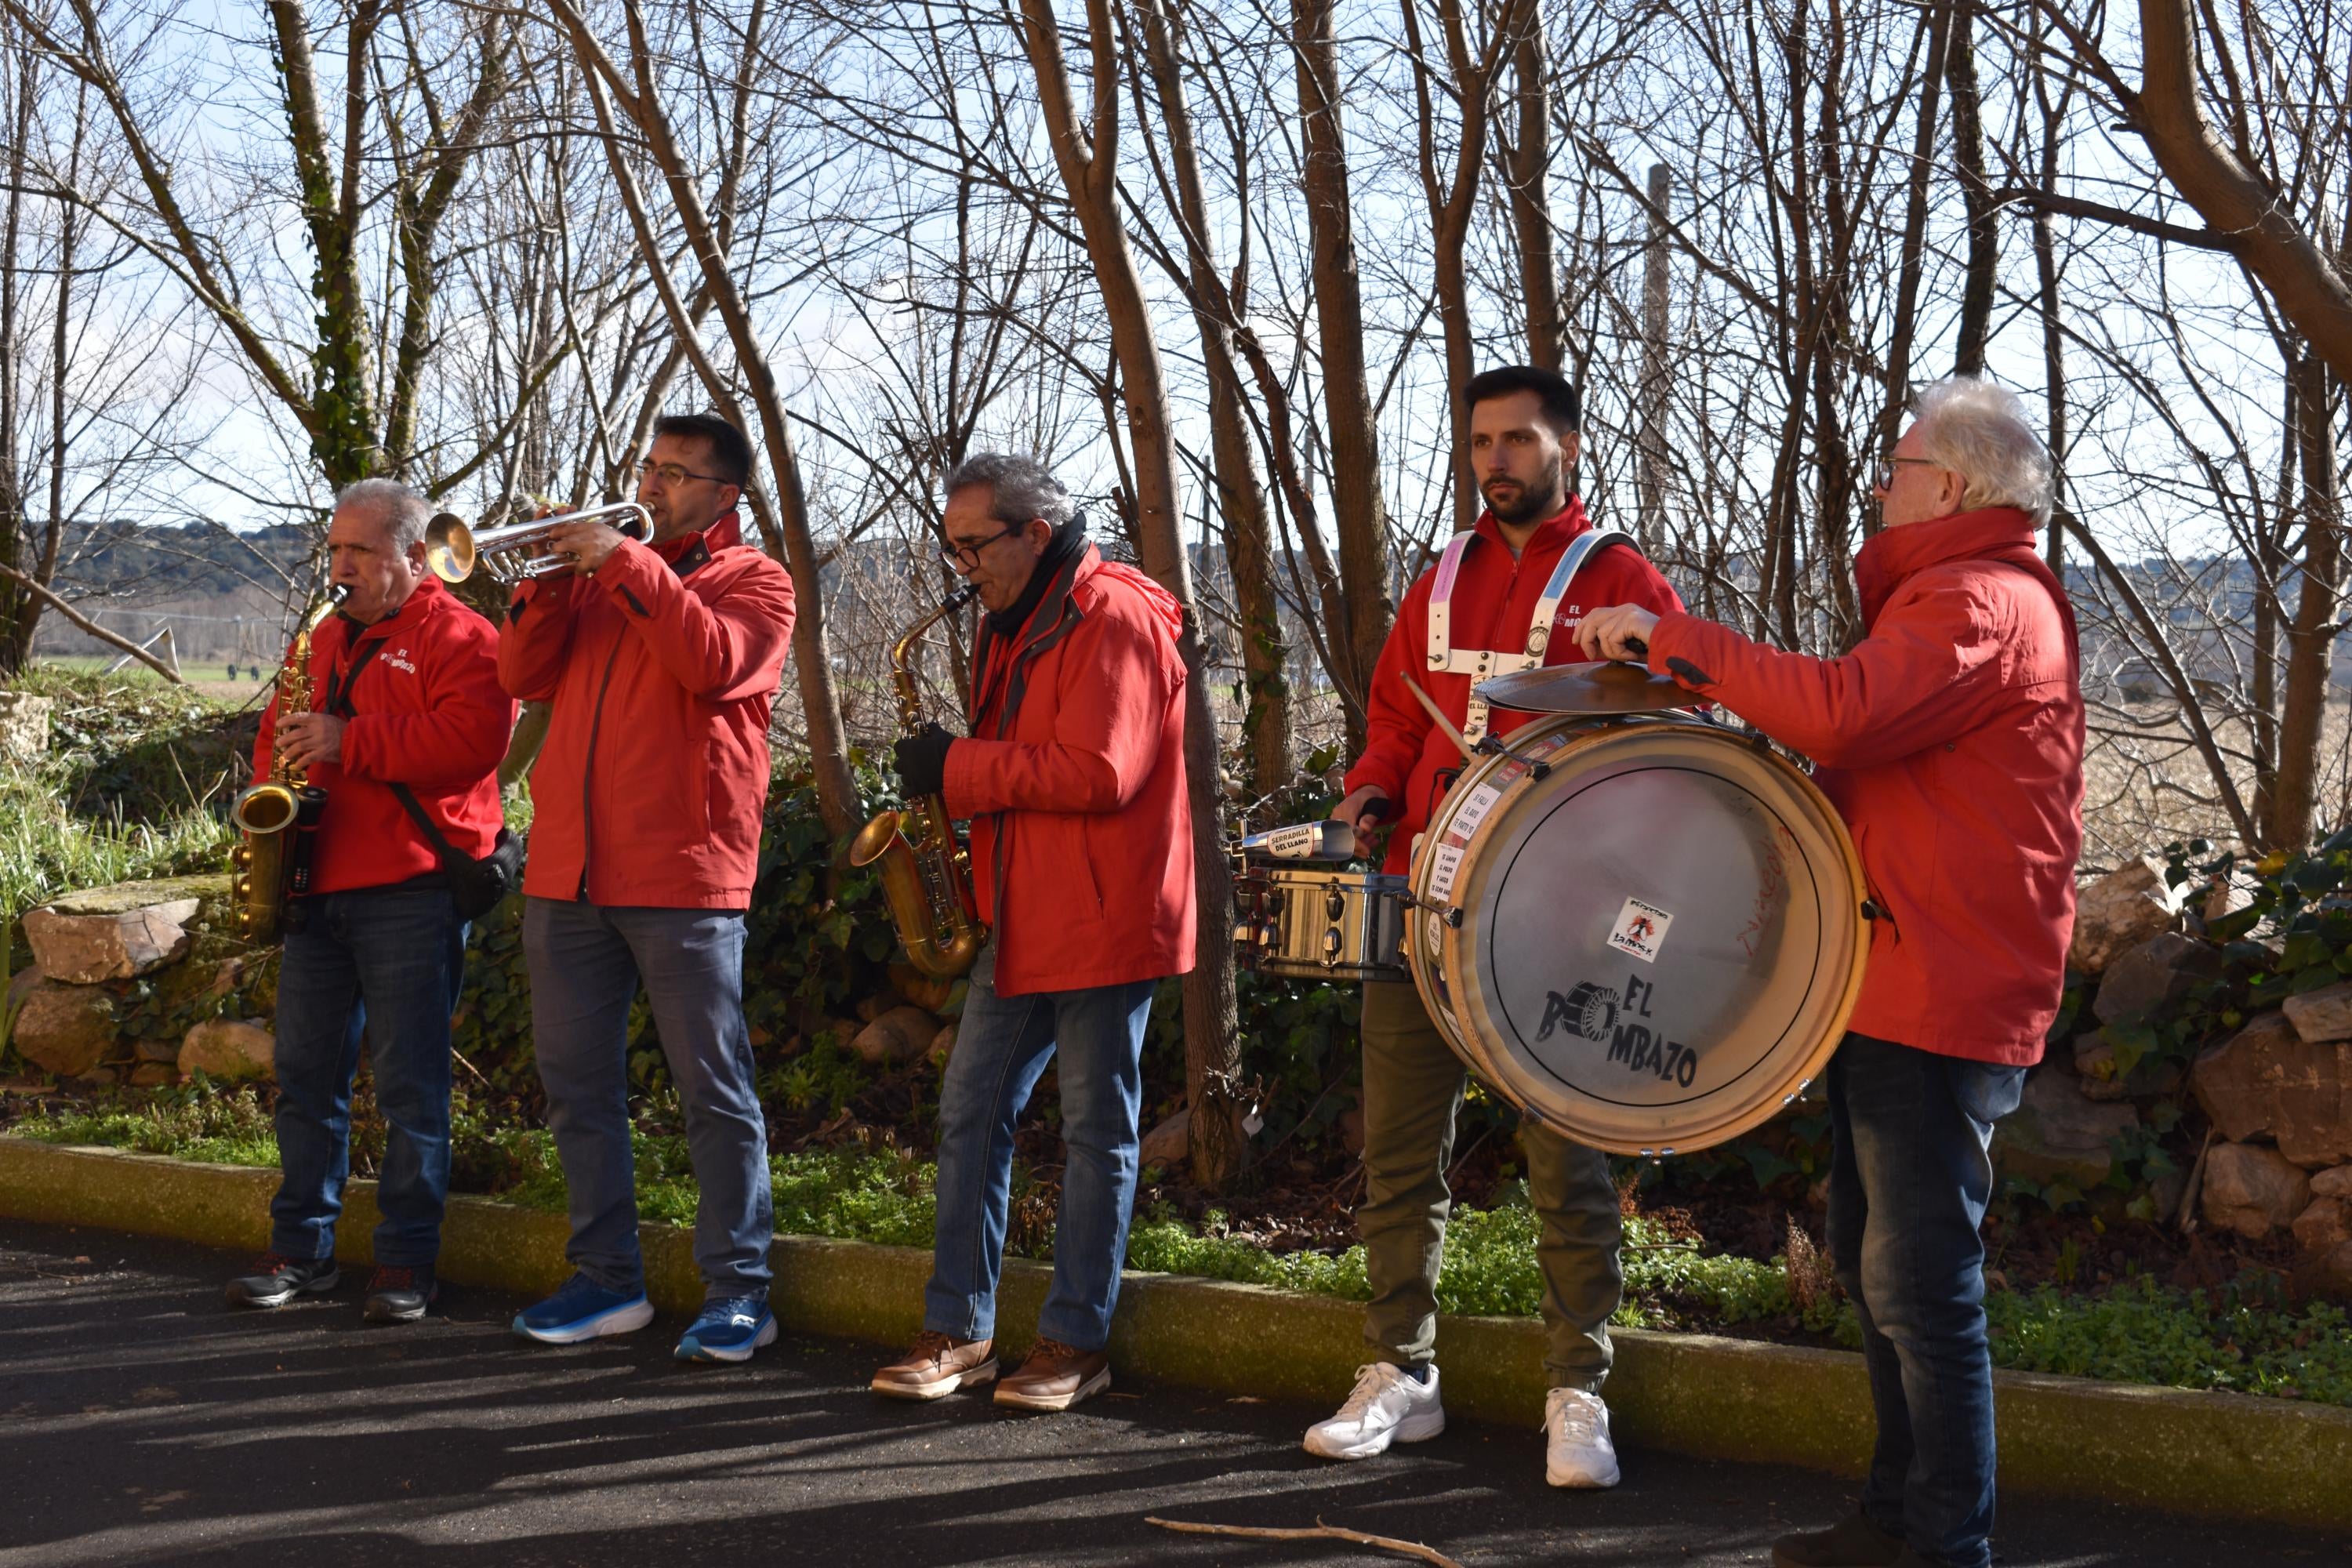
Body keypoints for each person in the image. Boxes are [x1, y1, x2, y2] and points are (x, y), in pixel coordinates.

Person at [1577, 376, 2084, 1568]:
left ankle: (1942, 1545)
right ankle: (1895, 1521)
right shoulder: (1967, 598)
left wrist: (1675, 639)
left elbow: (1847, 714)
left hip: (1937, 987)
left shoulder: (1978, 599)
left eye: (1898, 470)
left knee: (1918, 1286)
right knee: (1881, 1269)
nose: (1880, 487)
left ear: (1949, 487)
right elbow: (1872, 751)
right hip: (1900, 973)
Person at [1316, 365, 1685, 1486]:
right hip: (1420, 895)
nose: (1496, 461)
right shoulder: (1435, 581)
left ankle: (1579, 1390)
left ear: (1565, 446)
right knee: (1397, 1158)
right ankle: (1404, 1373)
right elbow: (1391, 718)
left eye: (1518, 440)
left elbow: (1680, 735)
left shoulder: (1622, 580)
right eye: (1481, 442)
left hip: (1563, 920)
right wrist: (1367, 787)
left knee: (1568, 1161)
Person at [869, 453, 1192, 1414]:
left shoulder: (1118, 615)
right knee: (970, 1112)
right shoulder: (1014, 617)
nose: (960, 564)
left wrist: (958, 768)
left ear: (1034, 535)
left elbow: (1100, 770)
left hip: (1100, 917)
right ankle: (961, 1324)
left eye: (973, 545)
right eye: (952, 544)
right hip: (1019, 914)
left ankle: (1076, 1341)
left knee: (1098, 1132)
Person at [498, 412, 797, 1364]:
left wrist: (623, 565)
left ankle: (742, 1290)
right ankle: (607, 1279)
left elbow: (711, 661)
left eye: (675, 473)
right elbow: (520, 672)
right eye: (649, 468)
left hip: (684, 874)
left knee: (712, 1089)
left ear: (724, 495)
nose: (654, 485)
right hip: (568, 871)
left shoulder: (757, 582)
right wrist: (548, 581)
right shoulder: (596, 580)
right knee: (577, 1087)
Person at [224, 478, 511, 1323]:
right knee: (305, 1077)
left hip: (412, 888)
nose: (340, 567)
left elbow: (473, 744)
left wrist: (354, 742)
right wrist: (270, 788)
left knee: (412, 1086)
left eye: (359, 551)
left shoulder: (465, 634)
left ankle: (405, 1261)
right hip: (320, 885)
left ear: (411, 556)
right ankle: (303, 1250)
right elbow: (277, 730)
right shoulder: (323, 634)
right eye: (335, 549)